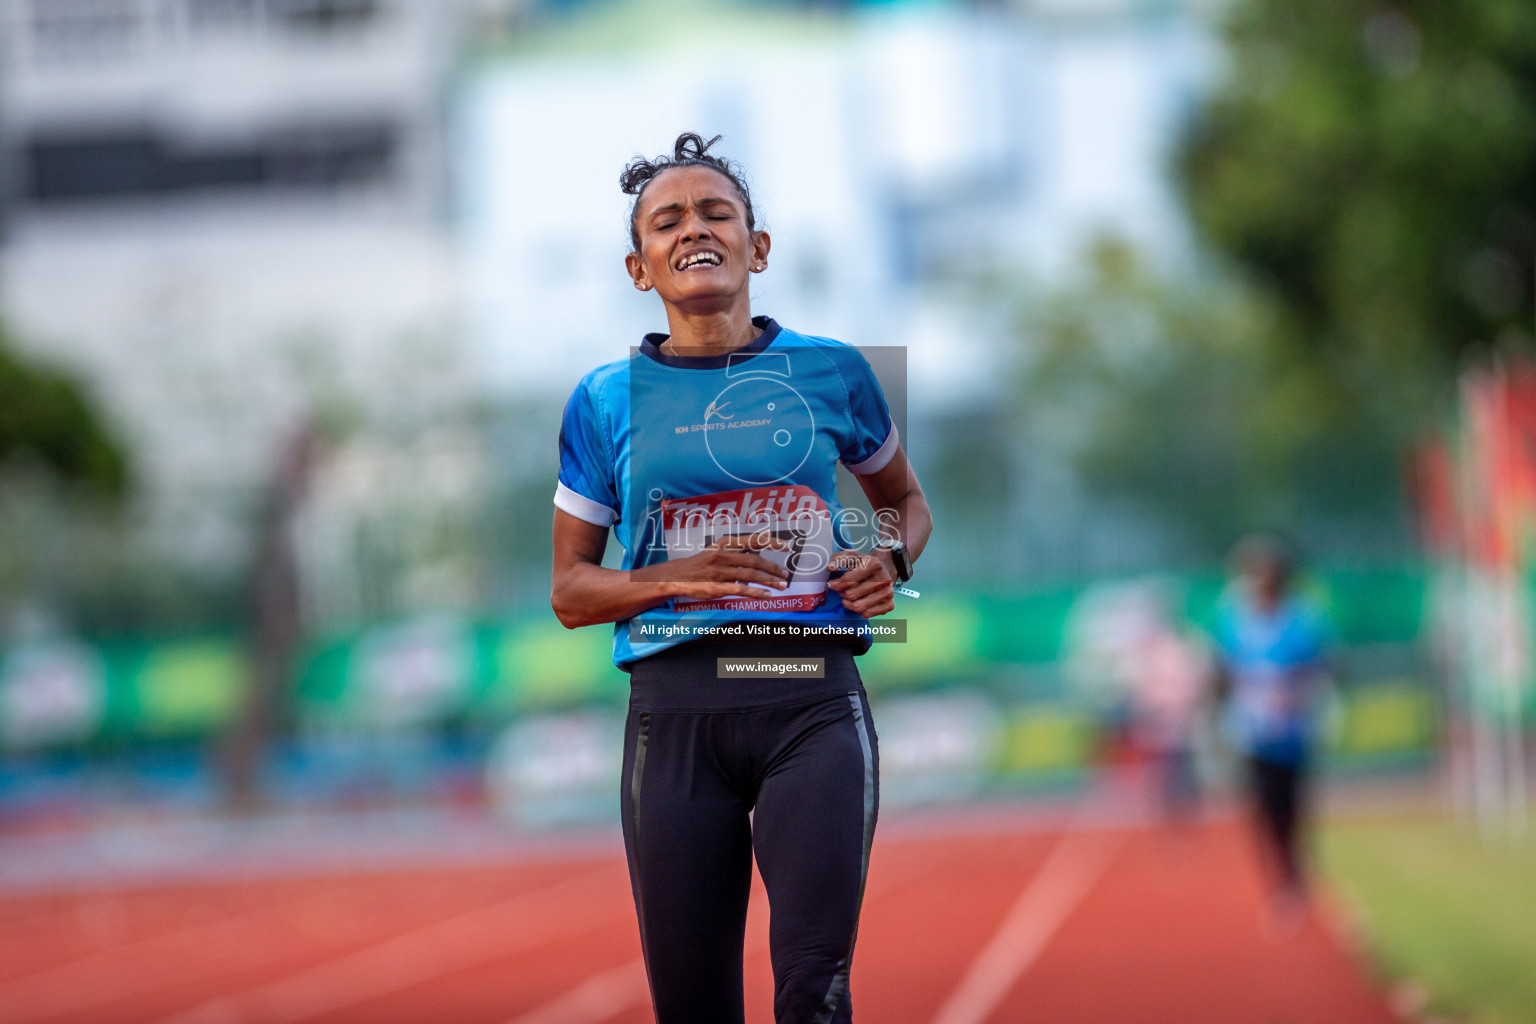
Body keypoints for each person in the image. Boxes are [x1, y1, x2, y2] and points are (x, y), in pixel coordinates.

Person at [549, 133, 932, 1024]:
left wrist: (889, 559)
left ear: (758, 247)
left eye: (717, 211)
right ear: (640, 267)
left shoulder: (833, 370)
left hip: (807, 696)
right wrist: (676, 579)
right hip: (676, 715)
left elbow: (904, 501)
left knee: (814, 990)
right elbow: (571, 590)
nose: (694, 229)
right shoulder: (605, 399)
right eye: (667, 221)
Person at [1213, 534, 1330, 920]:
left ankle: (1295, 875)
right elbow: (1223, 669)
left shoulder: (1301, 618)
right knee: (1262, 808)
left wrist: (1295, 690)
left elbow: (1320, 665)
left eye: (1263, 573)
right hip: (1252, 731)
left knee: (1290, 808)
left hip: (1292, 730)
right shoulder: (1236, 619)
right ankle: (1281, 884)